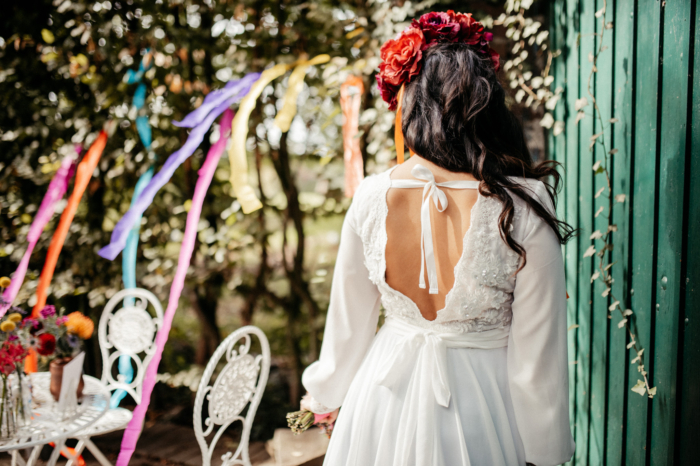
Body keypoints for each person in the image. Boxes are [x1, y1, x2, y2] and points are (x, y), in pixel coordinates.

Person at [300, 10, 576, 466]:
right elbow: (537, 357)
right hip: (485, 407)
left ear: (410, 102)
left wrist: (324, 397)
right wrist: (544, 451)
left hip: (382, 402)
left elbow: (348, 327)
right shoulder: (526, 202)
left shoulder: (371, 196)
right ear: (486, 107)